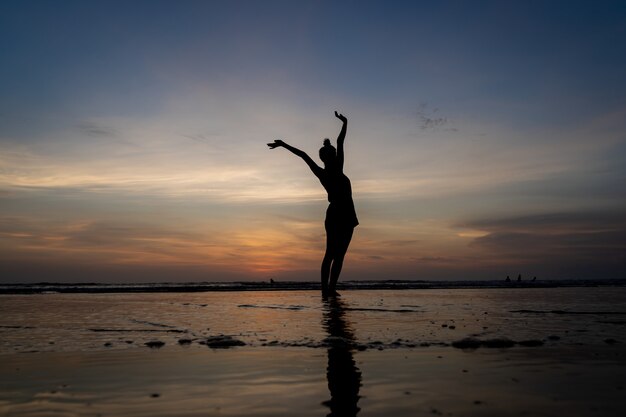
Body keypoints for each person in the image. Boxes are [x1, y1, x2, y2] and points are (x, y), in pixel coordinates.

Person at [267, 111, 358, 296]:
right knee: (331, 253)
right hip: (336, 215)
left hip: (348, 214)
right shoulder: (325, 172)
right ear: (325, 158)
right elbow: (303, 155)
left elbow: (338, 142)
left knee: (339, 255)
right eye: (331, 153)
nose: (334, 154)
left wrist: (345, 122)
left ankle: (331, 289)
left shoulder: (333, 168)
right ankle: (325, 289)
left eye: (333, 153)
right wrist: (283, 144)